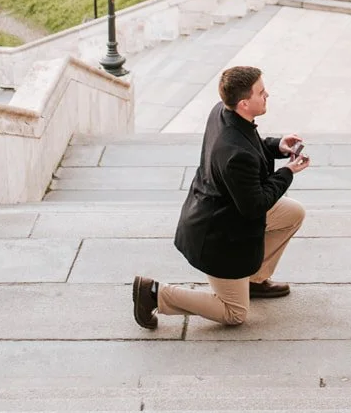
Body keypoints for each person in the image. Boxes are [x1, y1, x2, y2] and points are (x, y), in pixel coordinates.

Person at [132, 64, 308, 329]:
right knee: (234, 314)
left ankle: (254, 280)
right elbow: (255, 205)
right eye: (261, 92)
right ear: (245, 103)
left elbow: (250, 144)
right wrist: (288, 172)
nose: (267, 94)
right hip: (219, 236)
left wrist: (278, 145)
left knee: (293, 213)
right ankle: (154, 292)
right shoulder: (236, 154)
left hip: (221, 208)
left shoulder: (224, 112)